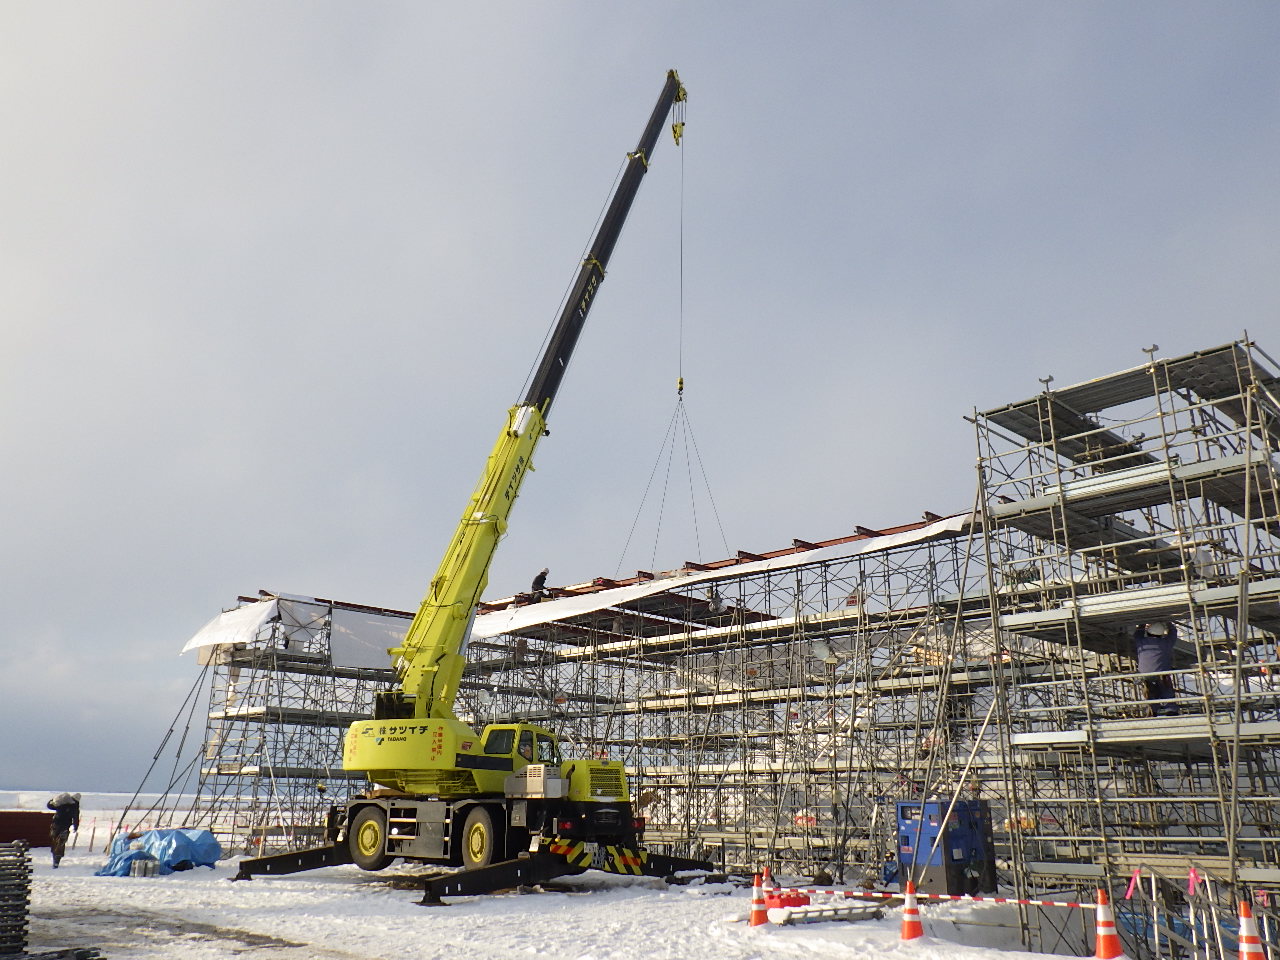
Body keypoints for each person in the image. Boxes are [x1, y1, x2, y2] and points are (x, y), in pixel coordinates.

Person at [1133, 622, 1178, 716]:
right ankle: (1171, 710)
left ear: (1148, 632)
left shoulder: (1141, 642)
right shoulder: (1166, 643)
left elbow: (1137, 633)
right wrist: (1168, 622)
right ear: (1161, 634)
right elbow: (1173, 633)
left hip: (1145, 675)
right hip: (1161, 675)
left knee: (1151, 693)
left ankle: (1153, 711)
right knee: (1166, 692)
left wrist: (1142, 623)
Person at [47, 792, 81, 868]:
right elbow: (76, 818)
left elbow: (49, 806)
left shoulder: (62, 804)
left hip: (55, 825)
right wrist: (75, 827)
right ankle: (57, 860)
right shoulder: (75, 807)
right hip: (65, 827)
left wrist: (52, 800)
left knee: (55, 841)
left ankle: (55, 859)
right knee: (61, 843)